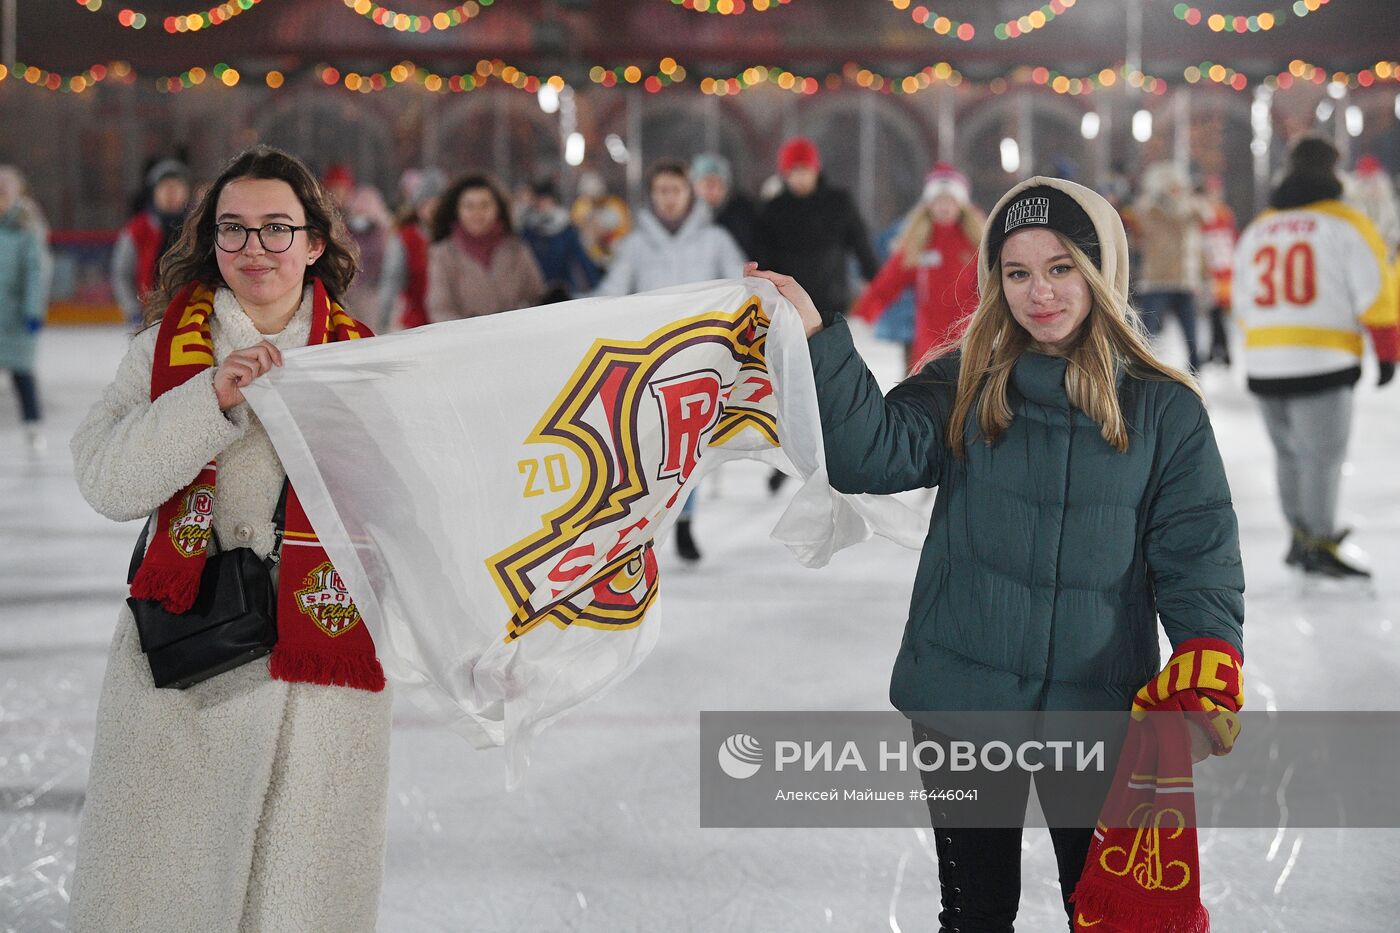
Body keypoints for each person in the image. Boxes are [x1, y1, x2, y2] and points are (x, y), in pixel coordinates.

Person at [747, 175, 1245, 931]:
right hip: (962, 700)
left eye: (1060, 268)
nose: (1039, 293)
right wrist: (817, 337)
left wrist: (1209, 652)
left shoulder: (1163, 409)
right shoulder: (965, 383)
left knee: (1106, 910)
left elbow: (1196, 549)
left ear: (1101, 271)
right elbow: (869, 455)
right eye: (1017, 272)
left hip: (1098, 705)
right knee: (975, 913)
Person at [68, 145, 391, 931]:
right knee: (163, 896)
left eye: (277, 229)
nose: (255, 249)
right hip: (187, 663)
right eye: (234, 229)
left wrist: (727, 314)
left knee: (299, 898)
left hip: (321, 680)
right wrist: (208, 399)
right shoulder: (162, 351)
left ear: (315, 242)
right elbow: (104, 478)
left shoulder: (367, 362)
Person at [1233, 135, 1399, 578]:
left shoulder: (1261, 227)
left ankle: (1299, 534)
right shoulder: (1345, 223)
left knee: (1288, 455)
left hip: (1265, 362)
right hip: (1322, 362)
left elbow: (1242, 298)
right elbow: (1375, 290)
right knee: (1322, 457)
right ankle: (1320, 542)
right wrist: (1386, 351)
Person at [596, 160, 746, 562]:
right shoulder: (635, 244)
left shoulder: (714, 240)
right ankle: (641, 526)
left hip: (700, 354)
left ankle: (684, 521)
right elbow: (612, 291)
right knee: (645, 445)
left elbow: (738, 285)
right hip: (648, 356)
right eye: (661, 190)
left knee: (688, 442)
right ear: (653, 195)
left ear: (688, 193)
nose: (669, 198)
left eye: (675, 190)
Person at [756, 136, 879, 493]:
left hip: (829, 307)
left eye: (803, 170)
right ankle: (789, 454)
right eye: (791, 171)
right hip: (787, 310)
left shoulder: (838, 203)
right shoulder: (775, 209)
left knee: (829, 382)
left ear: (815, 169)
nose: (798, 178)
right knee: (792, 384)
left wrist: (878, 283)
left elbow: (861, 243)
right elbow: (763, 256)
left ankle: (833, 453)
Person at [852, 163, 983, 371]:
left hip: (971, 344)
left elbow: (994, 286)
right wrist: (863, 317)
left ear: (962, 204)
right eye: (938, 201)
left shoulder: (978, 243)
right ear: (928, 205)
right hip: (929, 348)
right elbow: (887, 285)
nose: (944, 207)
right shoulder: (917, 243)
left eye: (950, 200)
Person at [426, 173, 545, 321]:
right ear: (457, 210)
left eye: (485, 205)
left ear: (497, 208)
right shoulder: (443, 255)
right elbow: (441, 309)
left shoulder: (516, 249)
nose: (478, 213)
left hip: (516, 337)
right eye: (469, 206)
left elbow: (536, 296)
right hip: (466, 340)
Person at [1134, 163, 1209, 372]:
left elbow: (1198, 245)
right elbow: (1143, 216)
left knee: (1192, 339)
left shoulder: (1190, 210)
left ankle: (1195, 381)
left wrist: (1203, 277)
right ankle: (1140, 376)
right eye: (1171, 187)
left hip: (1184, 282)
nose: (1175, 191)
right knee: (1146, 337)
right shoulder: (1153, 209)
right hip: (1158, 281)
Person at [0, 165, 52, 452]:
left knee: (22, 373)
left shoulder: (26, 226)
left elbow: (36, 271)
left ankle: (33, 426)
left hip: (16, 316)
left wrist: (33, 311)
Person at [111, 158, 191, 326]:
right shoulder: (136, 230)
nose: (171, 193)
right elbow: (121, 274)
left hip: (191, 316)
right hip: (148, 317)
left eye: (177, 186)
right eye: (165, 187)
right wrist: (133, 311)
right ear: (154, 192)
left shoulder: (198, 228)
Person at [383, 167, 444, 330]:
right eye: (427, 203)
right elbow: (391, 281)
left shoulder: (454, 236)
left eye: (438, 203)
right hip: (417, 324)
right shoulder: (407, 237)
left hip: (452, 322)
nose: (433, 209)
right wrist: (383, 322)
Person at [521, 180, 602, 302]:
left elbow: (582, 259)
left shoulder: (565, 229)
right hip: (536, 294)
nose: (543, 204)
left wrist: (597, 288)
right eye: (540, 200)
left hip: (564, 291)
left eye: (547, 200)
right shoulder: (528, 231)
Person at [342, 184, 400, 331]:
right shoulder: (344, 232)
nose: (361, 213)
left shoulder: (385, 232)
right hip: (349, 295)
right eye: (358, 209)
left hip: (376, 293)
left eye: (365, 209)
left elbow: (391, 265)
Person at [1198, 175, 1238, 366]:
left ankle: (1221, 351)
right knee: (1215, 312)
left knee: (1218, 311)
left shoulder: (1221, 213)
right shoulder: (1211, 213)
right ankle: (1219, 349)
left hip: (1222, 268)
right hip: (1215, 268)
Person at [691, 152, 759, 259]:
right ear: (694, 186)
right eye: (706, 183)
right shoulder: (683, 217)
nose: (711, 189)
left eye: (716, 182)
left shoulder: (744, 214)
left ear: (726, 186)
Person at [571, 169, 632, 267]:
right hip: (589, 259)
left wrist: (607, 238)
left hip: (614, 258)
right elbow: (576, 228)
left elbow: (625, 232)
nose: (593, 200)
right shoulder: (581, 205)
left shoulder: (616, 205)